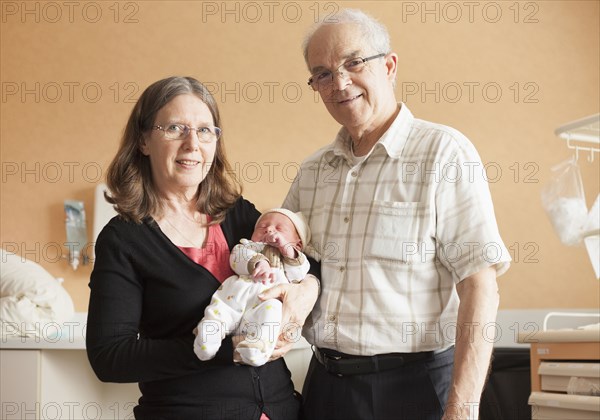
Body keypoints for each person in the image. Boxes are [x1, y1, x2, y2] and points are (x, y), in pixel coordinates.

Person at [282, 9, 512, 420]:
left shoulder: (444, 153)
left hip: (417, 388)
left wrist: (462, 409)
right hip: (324, 388)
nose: (340, 83)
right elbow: (293, 266)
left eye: (354, 63)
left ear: (389, 66)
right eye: (322, 74)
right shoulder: (313, 171)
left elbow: (480, 286)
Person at [86, 76, 319, 420]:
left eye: (205, 130)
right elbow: (111, 357)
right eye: (175, 128)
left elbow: (302, 263)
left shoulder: (238, 213)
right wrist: (230, 351)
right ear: (144, 141)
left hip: (281, 408)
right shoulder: (124, 239)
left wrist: (308, 289)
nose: (192, 144)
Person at [194, 209, 311, 367]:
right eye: (262, 227)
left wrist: (288, 250)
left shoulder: (294, 261)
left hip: (265, 303)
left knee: (273, 312)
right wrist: (258, 262)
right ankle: (209, 335)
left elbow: (299, 276)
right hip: (237, 293)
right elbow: (236, 258)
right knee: (221, 309)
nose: (269, 230)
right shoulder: (247, 246)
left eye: (279, 228)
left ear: (298, 243)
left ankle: (257, 347)